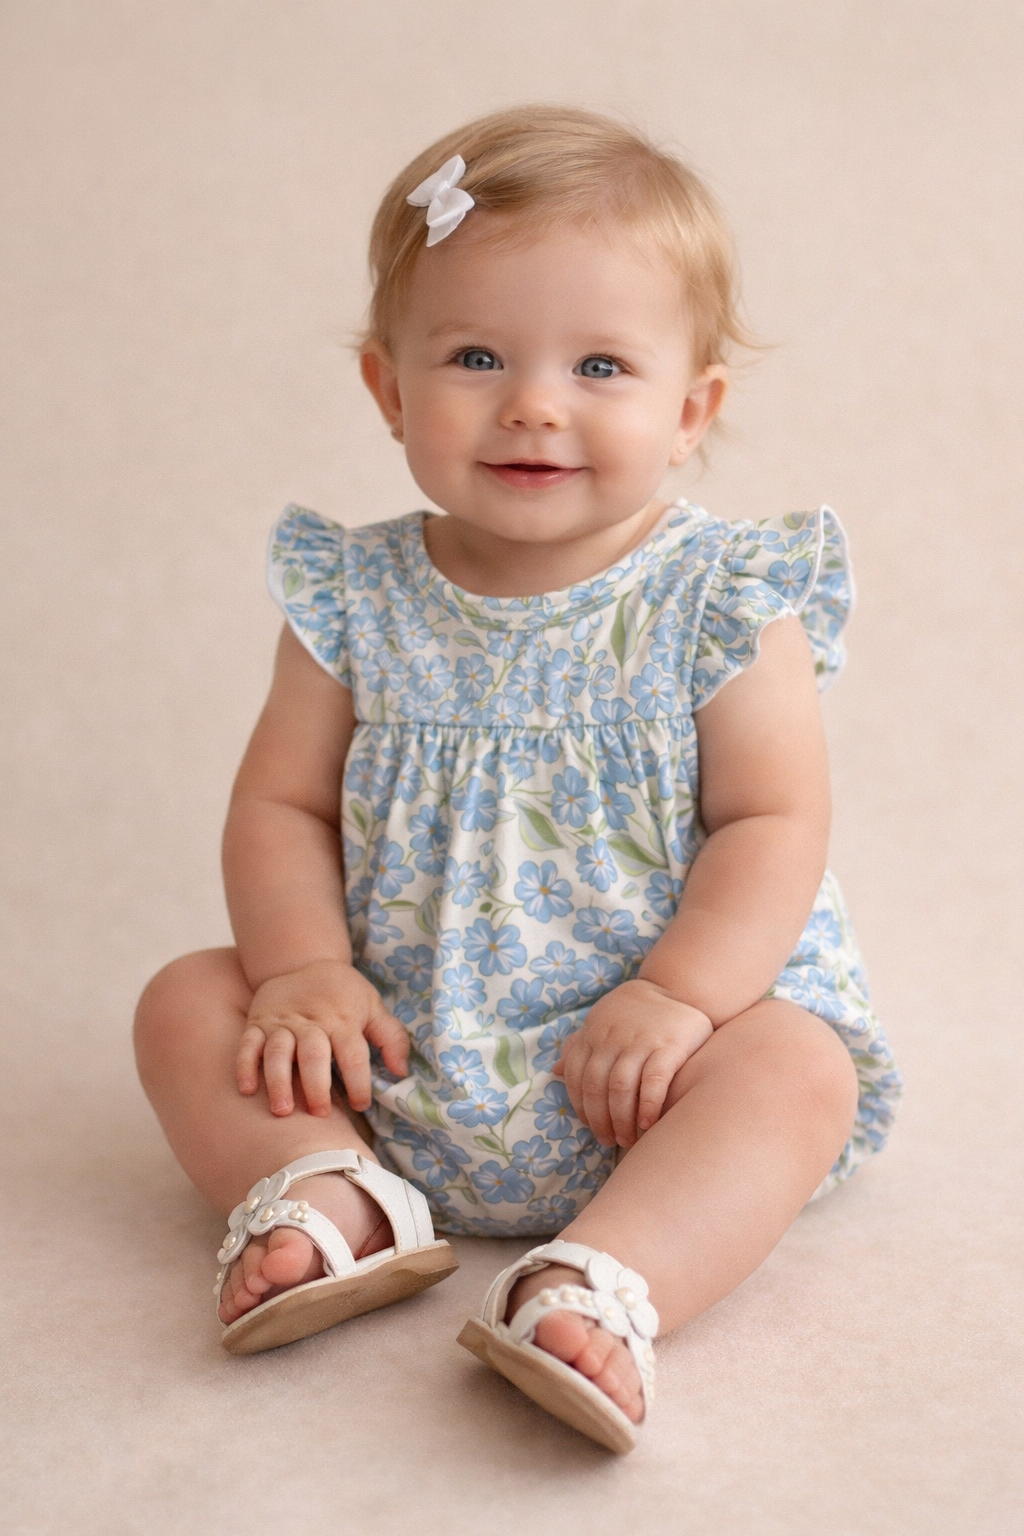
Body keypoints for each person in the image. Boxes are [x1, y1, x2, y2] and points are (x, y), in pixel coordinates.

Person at [134, 105, 902, 1453]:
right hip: (390, 1052)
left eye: (602, 364)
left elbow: (772, 821)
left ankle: (602, 1278)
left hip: (651, 1072)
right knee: (191, 998)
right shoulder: (356, 595)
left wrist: (682, 996)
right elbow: (283, 805)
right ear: (388, 390)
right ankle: (335, 1194)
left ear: (692, 408)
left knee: (798, 1067)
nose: (535, 403)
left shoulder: (721, 597)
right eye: (477, 356)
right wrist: (307, 970)